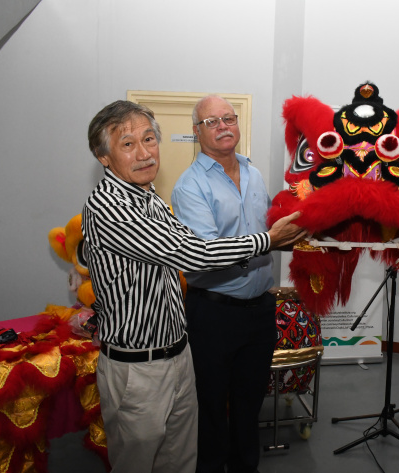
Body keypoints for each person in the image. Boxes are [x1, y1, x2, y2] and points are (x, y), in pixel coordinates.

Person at [83, 100, 305, 473]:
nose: (144, 153)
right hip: (140, 368)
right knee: (139, 463)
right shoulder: (111, 205)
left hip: (177, 355)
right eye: (127, 144)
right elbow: (193, 253)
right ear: (103, 156)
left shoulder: (148, 198)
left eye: (150, 139)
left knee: (181, 461)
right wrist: (267, 240)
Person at [170, 95, 281, 473]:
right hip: (214, 314)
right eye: (212, 122)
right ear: (197, 131)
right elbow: (207, 252)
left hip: (261, 311)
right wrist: (271, 240)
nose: (223, 127)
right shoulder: (189, 186)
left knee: (251, 405)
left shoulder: (254, 172)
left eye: (228, 118)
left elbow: (267, 227)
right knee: (212, 408)